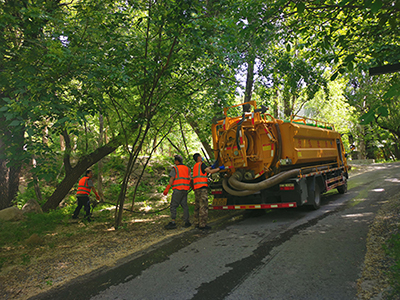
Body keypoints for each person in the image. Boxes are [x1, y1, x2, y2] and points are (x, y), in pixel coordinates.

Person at [192, 153, 225, 230]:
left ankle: (196, 223)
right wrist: (219, 168)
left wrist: (211, 166)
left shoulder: (195, 166)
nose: (201, 158)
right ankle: (202, 224)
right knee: (203, 206)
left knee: (197, 206)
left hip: (196, 188)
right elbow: (210, 171)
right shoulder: (201, 164)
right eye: (201, 156)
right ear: (199, 158)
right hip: (202, 188)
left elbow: (205, 170)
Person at [163, 155, 192, 229]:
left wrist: (167, 188)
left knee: (173, 206)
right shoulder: (187, 169)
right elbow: (190, 179)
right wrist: (193, 187)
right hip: (185, 190)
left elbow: (172, 179)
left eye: (175, 161)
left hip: (178, 190)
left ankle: (173, 222)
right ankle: (187, 222)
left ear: (177, 161)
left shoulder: (175, 169)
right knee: (185, 206)